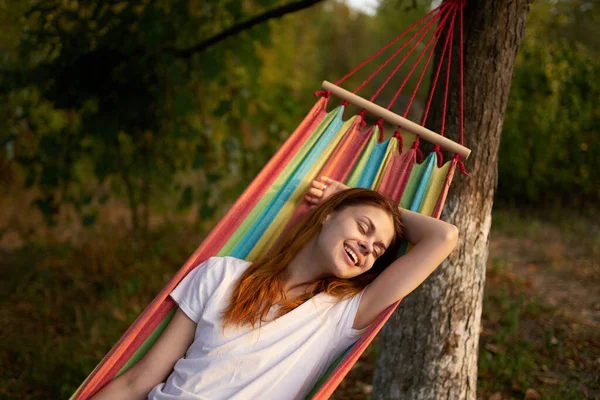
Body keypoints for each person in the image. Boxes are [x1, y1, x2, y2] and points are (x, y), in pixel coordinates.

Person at [90, 176, 458, 400]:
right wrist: (345, 197)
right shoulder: (220, 274)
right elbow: (140, 379)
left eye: (378, 250)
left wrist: (350, 194)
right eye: (363, 228)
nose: (367, 247)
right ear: (328, 214)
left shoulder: (340, 316)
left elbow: (443, 237)